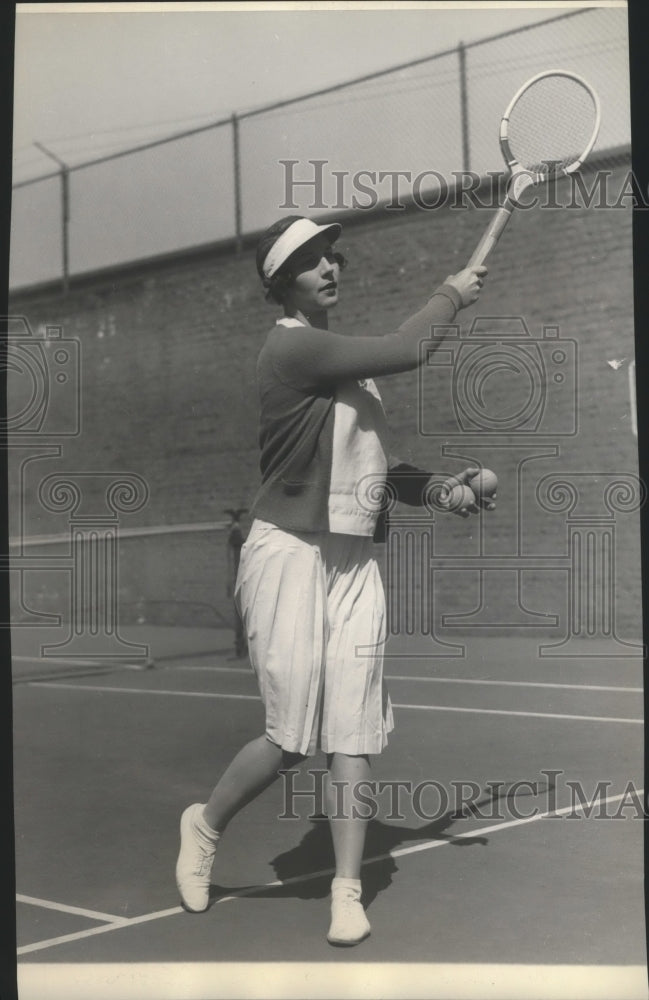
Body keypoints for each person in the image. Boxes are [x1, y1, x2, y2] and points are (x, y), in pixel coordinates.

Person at [176, 215, 491, 945]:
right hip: (287, 553)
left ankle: (346, 892)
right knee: (291, 737)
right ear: (281, 282)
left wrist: (441, 488)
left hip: (351, 559)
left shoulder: (350, 368)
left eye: (331, 256)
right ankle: (205, 824)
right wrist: (451, 293)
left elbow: (375, 473)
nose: (329, 268)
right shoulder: (293, 348)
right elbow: (411, 345)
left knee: (351, 732)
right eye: (310, 261)